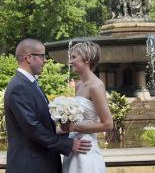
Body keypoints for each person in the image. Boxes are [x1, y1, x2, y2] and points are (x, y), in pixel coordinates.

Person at [4, 38, 91, 173]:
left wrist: (66, 128)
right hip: (30, 166)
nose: (45, 61)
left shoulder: (30, 83)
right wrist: (67, 144)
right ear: (29, 58)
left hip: (41, 163)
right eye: (42, 56)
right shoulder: (18, 87)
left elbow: (42, 123)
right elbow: (33, 127)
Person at [62, 41, 113, 173]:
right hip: (73, 147)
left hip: (86, 149)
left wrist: (74, 127)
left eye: (74, 57)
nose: (70, 61)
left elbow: (108, 124)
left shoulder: (96, 86)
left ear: (87, 59)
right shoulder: (78, 85)